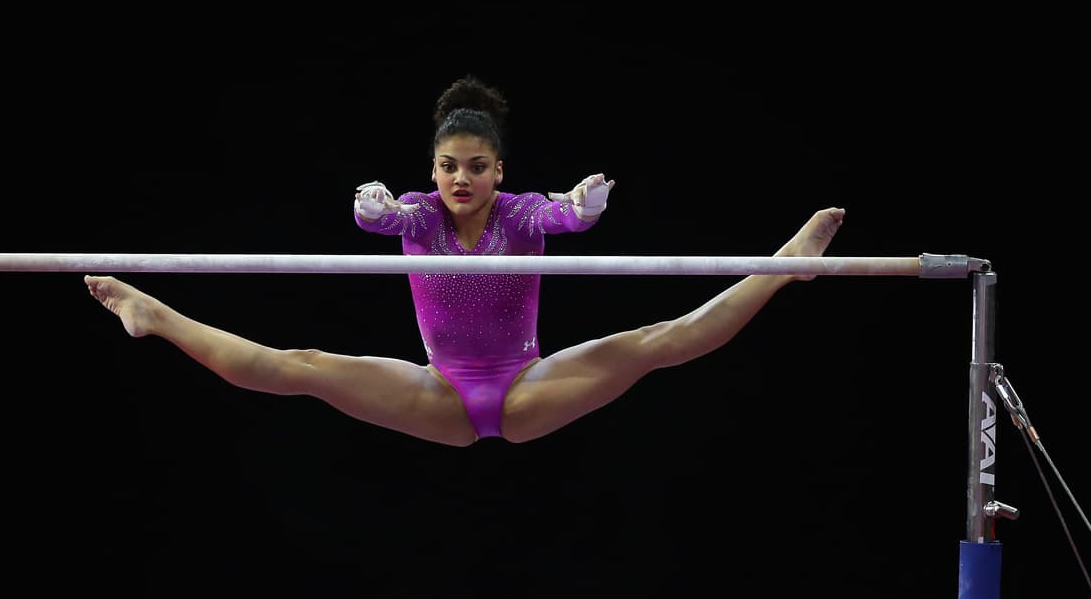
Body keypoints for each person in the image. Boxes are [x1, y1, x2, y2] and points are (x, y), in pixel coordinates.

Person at [85, 75, 844, 447]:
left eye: (477, 167)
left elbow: (565, 217)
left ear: (499, 172)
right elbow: (369, 217)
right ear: (434, 168)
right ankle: (155, 314)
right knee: (299, 366)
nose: (461, 180)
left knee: (659, 341)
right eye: (448, 166)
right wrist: (373, 207)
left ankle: (784, 265)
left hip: (528, 385)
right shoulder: (414, 212)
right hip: (441, 393)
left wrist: (582, 204)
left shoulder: (522, 212)